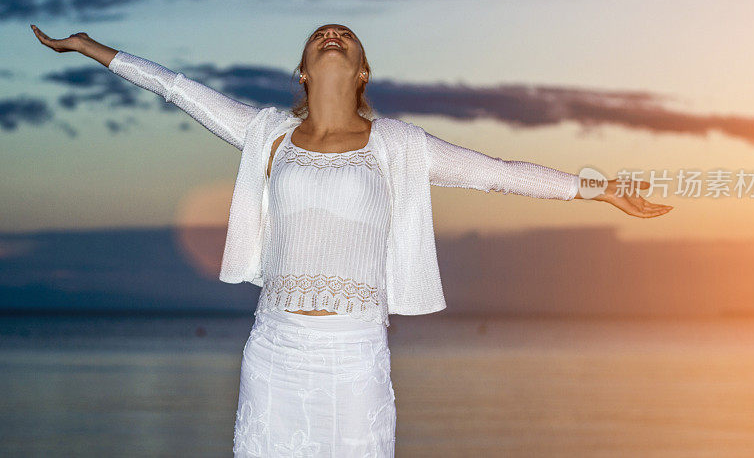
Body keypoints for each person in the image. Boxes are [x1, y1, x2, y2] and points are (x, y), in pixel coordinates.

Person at [31, 22, 673, 457]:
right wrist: (95, 50)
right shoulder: (266, 134)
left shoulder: (398, 145)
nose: (331, 35)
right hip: (275, 351)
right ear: (303, 71)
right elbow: (179, 90)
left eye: (344, 36)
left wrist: (596, 189)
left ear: (361, 71)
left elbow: (492, 173)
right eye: (319, 36)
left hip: (355, 353)